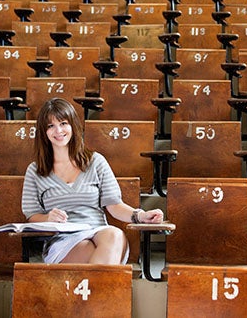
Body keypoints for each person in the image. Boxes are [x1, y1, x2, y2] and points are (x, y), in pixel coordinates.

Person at [21, 97, 164, 264]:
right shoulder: (35, 170)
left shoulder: (96, 162)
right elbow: (31, 215)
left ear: (73, 125)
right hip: (63, 241)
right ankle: (105, 289)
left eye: (63, 123)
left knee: (114, 234)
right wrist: (48, 218)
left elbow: (114, 206)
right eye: (51, 126)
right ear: (43, 132)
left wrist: (141, 215)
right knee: (95, 252)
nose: (58, 130)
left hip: (99, 232)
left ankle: (96, 288)